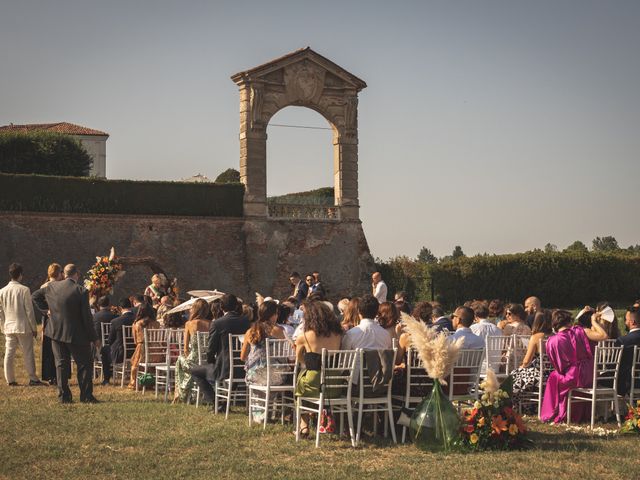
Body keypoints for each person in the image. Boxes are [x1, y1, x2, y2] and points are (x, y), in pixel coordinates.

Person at [32, 264, 98, 403]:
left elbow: (35, 296)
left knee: (61, 364)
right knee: (84, 364)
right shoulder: (81, 291)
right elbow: (87, 318)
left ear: (64, 274)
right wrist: (93, 337)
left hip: (55, 332)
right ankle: (86, 396)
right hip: (77, 334)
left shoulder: (51, 286)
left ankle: (64, 396)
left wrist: (47, 310)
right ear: (76, 274)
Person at [540, 309, 607, 423]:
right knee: (557, 377)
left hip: (573, 376)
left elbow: (558, 366)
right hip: (590, 374)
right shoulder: (581, 331)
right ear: (569, 322)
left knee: (553, 377)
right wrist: (594, 321)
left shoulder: (552, 341)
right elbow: (603, 335)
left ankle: (552, 413)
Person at [190, 294, 250, 406]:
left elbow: (210, 349)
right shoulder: (246, 322)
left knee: (195, 371)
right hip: (244, 367)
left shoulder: (217, 323)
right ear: (237, 306)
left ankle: (215, 402)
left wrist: (211, 362)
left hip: (224, 369)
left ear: (221, 307)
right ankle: (226, 399)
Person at [294, 300, 344, 436]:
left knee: (300, 386)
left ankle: (303, 425)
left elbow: (299, 359)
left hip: (315, 383)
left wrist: (309, 363)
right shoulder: (338, 335)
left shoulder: (304, 336)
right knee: (306, 383)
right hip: (335, 385)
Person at [240, 301, 286, 422]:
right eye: (276, 314)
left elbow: (243, 357)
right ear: (271, 315)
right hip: (275, 377)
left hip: (254, 375)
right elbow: (283, 356)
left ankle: (259, 415)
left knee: (259, 376)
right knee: (276, 374)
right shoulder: (278, 331)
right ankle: (268, 414)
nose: (277, 316)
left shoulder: (250, 331)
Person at [0, 263, 43, 386]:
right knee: (28, 352)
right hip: (23, 326)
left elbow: (0, 312)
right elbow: (29, 311)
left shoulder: (2, 291)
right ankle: (33, 378)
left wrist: (3, 326)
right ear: (20, 275)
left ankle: (10, 380)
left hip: (9, 326)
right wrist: (34, 328)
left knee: (9, 354)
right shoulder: (24, 290)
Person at [511, 310, 553, 411]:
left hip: (539, 373)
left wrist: (520, 367)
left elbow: (526, 361)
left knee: (514, 374)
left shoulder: (536, 337)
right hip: (552, 372)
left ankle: (518, 406)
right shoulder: (554, 335)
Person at [173, 299, 213, 403]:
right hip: (209, 361)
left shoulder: (189, 324)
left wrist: (187, 356)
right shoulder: (212, 324)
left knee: (179, 360)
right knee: (184, 364)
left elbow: (185, 348)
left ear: (195, 310)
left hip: (194, 360)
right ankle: (186, 394)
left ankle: (180, 394)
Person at [127, 302, 161, 389]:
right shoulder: (157, 323)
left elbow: (135, 341)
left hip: (142, 349)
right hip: (156, 352)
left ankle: (134, 383)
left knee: (135, 364)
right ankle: (150, 382)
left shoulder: (136, 324)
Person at [39, 263, 63, 384]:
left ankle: (49, 376)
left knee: (48, 349)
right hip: (58, 319)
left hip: (47, 320)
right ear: (59, 273)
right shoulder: (60, 286)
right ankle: (59, 375)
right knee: (59, 349)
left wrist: (45, 311)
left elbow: (37, 300)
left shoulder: (44, 286)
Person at [615, 306, 640, 396]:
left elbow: (615, 365)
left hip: (628, 382)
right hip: (637, 380)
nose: (625, 322)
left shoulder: (623, 341)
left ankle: (610, 409)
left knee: (599, 378)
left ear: (632, 322)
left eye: (626, 320)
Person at [92, 296, 117, 385]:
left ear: (98, 305)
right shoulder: (115, 316)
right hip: (113, 345)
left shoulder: (95, 316)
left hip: (99, 345)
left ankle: (94, 372)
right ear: (109, 305)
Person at [108, 298, 136, 366]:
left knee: (105, 350)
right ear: (131, 306)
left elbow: (110, 340)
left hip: (121, 353)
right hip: (136, 351)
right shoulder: (137, 319)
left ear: (120, 308)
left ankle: (108, 373)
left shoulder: (116, 321)